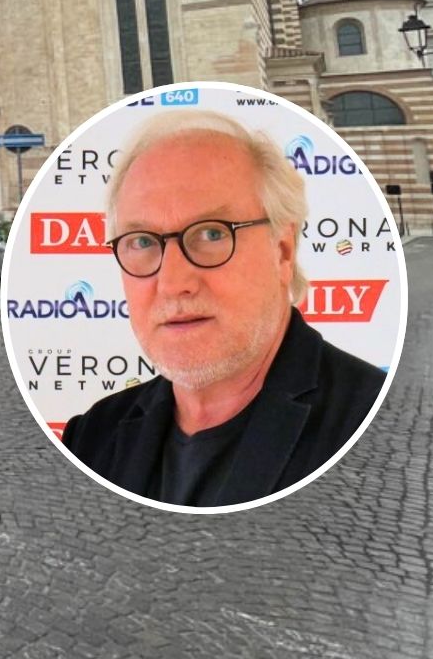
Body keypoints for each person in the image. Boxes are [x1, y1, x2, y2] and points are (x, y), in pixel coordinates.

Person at [60, 111, 386, 507]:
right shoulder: (94, 436)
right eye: (143, 242)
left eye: (212, 233)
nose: (173, 282)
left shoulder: (376, 423)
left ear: (282, 252)